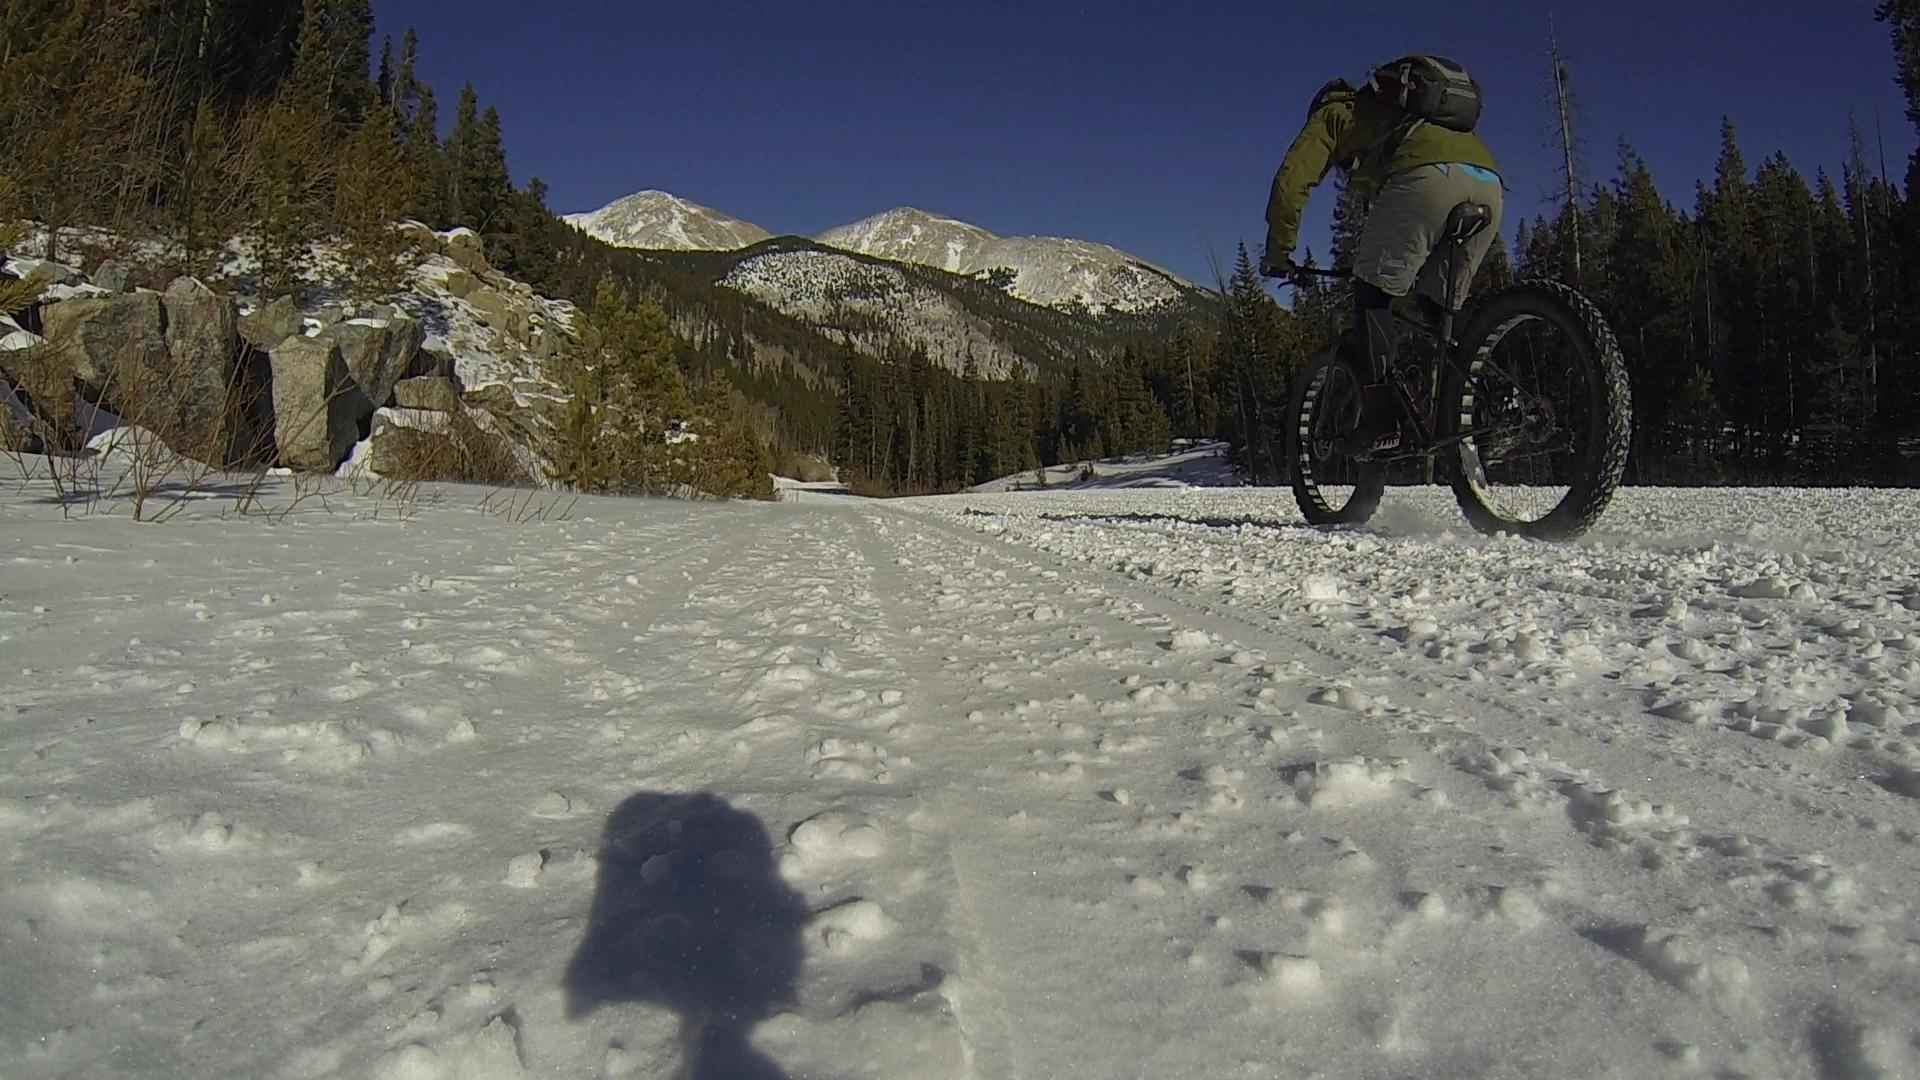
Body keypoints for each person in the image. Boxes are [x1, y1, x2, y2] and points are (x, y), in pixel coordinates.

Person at [1261, 56, 1505, 455]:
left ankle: (1379, 419)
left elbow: (1291, 183)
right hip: (1489, 183)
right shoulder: (1397, 117)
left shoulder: (1334, 114)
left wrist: (1279, 253)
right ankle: (1496, 405)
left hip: (1427, 177)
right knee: (1441, 306)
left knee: (1371, 293)